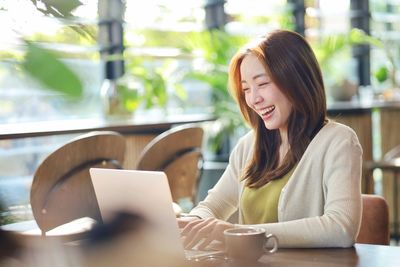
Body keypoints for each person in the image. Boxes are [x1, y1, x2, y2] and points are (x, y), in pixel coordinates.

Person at [179, 29, 363, 249]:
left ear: (296, 80)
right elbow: (214, 205)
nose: (254, 99)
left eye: (263, 84)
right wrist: (191, 222)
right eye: (246, 89)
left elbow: (341, 228)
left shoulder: (338, 141)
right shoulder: (249, 145)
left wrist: (242, 233)